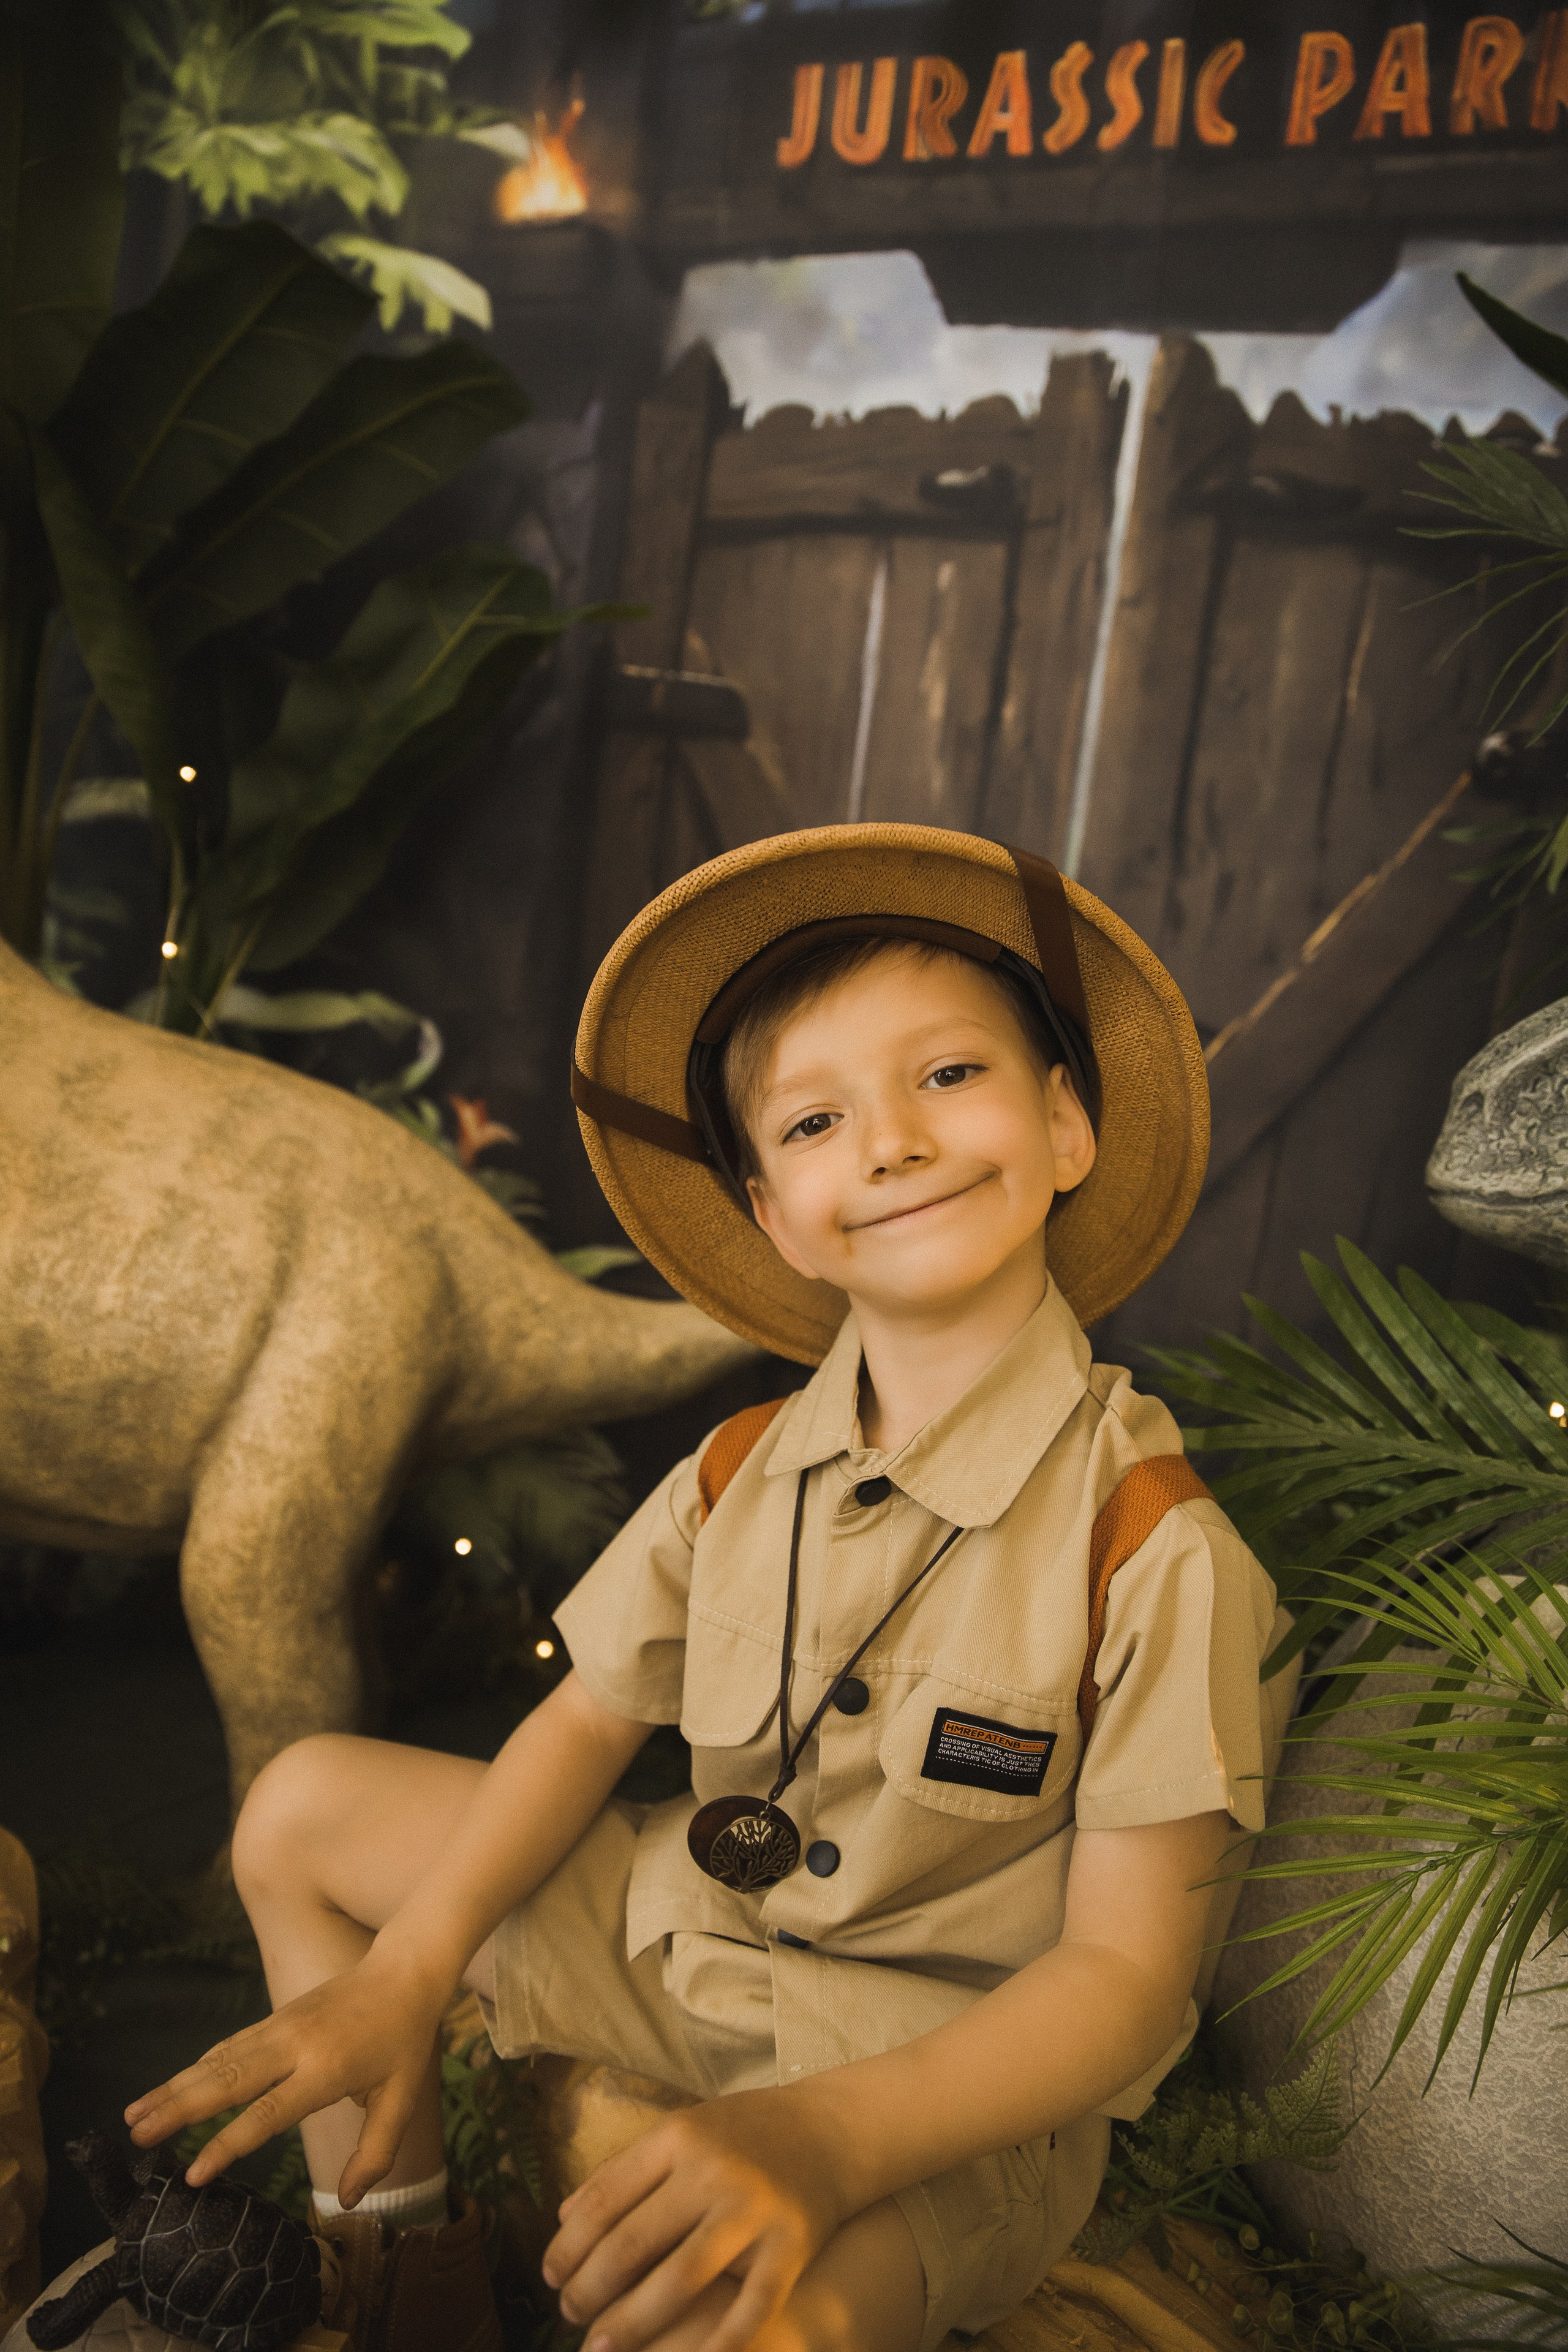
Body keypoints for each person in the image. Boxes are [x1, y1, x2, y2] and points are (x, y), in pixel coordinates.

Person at [126, 824, 1295, 2352]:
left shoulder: (1152, 1546)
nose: (888, 1142)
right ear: (766, 1215)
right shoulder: (735, 1469)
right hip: (690, 1932)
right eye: (814, 1122)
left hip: (939, 2081)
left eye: (949, 1076)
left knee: (749, 2326)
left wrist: (825, 2143)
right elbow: (583, 1722)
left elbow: (1126, 1984)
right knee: (299, 1808)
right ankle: (398, 2283)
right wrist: (407, 1973)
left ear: (1064, 1125)